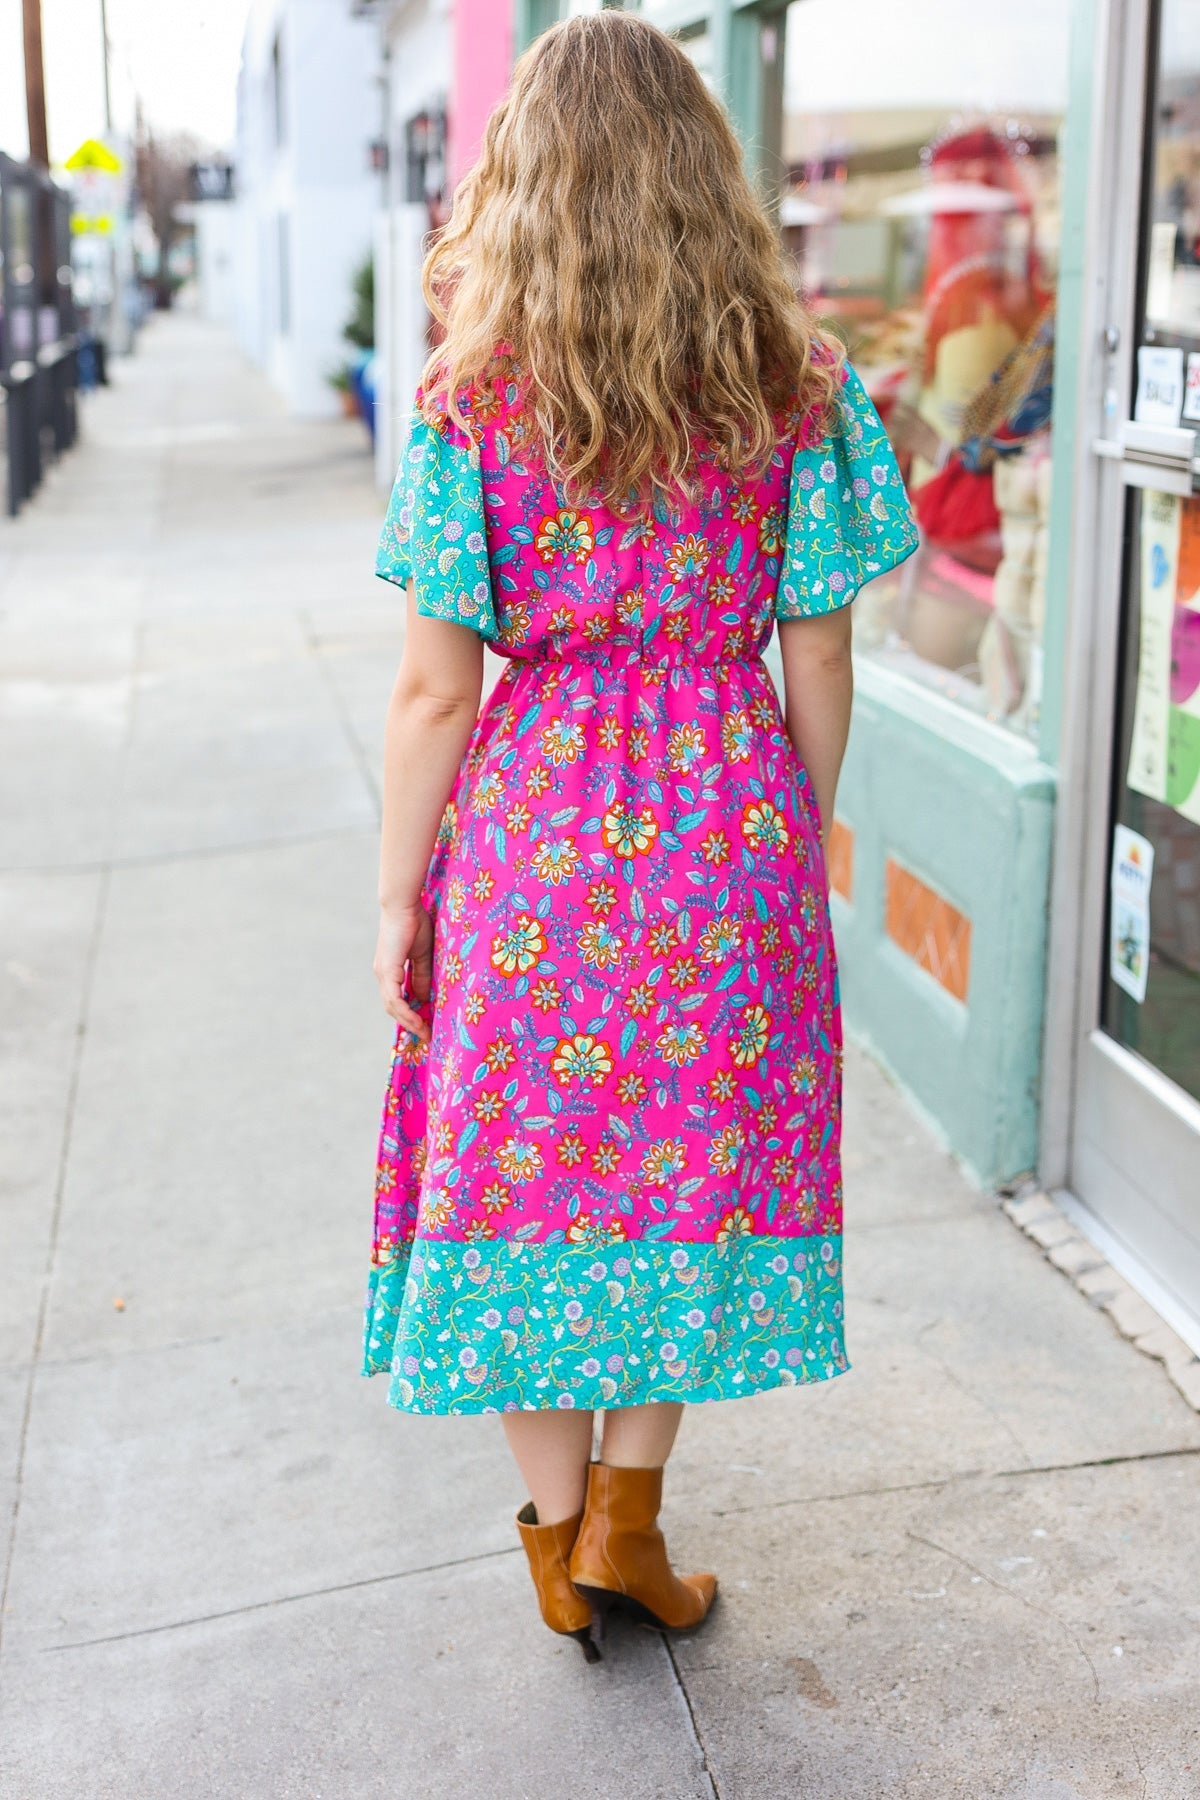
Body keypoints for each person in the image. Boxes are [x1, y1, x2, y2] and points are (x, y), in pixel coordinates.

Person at [363, 11, 918, 1662]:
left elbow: (430, 695)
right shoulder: (797, 377)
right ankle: (633, 1523)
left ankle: (565, 1551)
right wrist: (793, 824)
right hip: (725, 814)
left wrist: (401, 895)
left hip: (532, 837)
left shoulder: (471, 397)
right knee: (698, 1167)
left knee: (523, 1190)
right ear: (704, 168)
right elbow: (819, 647)